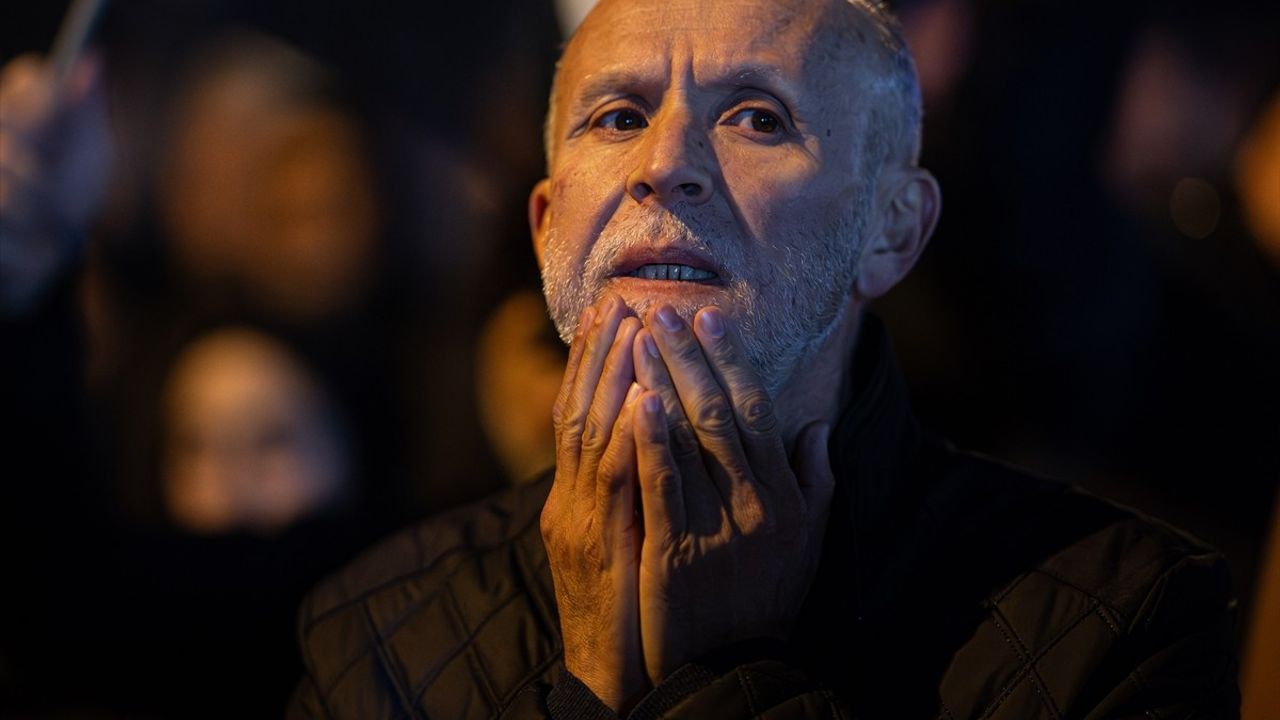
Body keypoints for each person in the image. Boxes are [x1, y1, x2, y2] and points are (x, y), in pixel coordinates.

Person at [286, 0, 1234, 716]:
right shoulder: (374, 634)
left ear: (893, 231)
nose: (664, 164)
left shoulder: (1125, 628)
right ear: (544, 229)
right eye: (618, 117)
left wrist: (727, 683)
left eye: (757, 118)